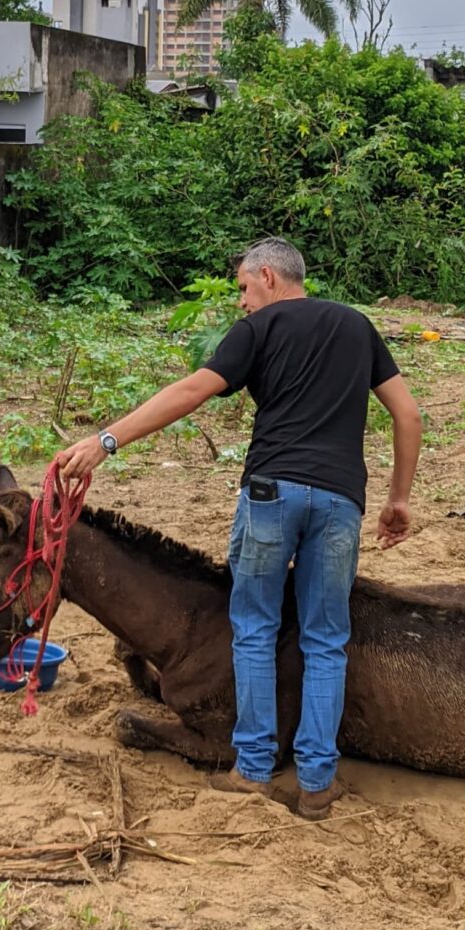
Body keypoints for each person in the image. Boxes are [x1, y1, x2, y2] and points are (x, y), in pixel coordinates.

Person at [61, 238, 421, 816]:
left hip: (271, 493)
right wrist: (398, 499)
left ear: (269, 279)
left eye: (243, 289)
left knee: (254, 626)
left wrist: (106, 440)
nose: (242, 303)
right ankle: (317, 783)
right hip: (339, 503)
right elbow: (408, 413)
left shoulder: (260, 329)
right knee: (326, 640)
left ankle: (252, 769)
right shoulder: (358, 327)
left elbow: (191, 391)